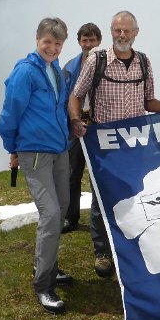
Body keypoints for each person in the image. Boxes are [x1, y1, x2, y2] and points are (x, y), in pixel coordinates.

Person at [68, 11, 160, 278]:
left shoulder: (144, 62)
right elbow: (76, 96)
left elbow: (148, 102)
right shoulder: (97, 60)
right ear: (112, 32)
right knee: (101, 197)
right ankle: (102, 253)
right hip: (104, 142)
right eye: (117, 30)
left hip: (135, 142)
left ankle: (132, 246)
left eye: (127, 31)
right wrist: (76, 120)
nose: (122, 35)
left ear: (136, 32)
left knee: (135, 194)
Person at [0, 17, 73, 314]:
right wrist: (12, 148)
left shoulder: (55, 71)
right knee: (51, 213)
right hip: (35, 153)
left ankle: (49, 266)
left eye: (57, 44)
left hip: (59, 150)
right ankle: (43, 285)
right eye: (48, 42)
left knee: (63, 208)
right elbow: (10, 113)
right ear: (37, 39)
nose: (52, 48)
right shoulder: (25, 72)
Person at [61, 22, 103, 233]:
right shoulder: (70, 66)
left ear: (99, 41)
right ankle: (71, 216)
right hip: (76, 123)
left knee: (99, 173)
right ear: (79, 42)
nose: (88, 44)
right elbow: (63, 96)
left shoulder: (107, 63)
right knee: (72, 172)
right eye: (85, 40)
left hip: (99, 123)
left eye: (92, 40)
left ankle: (104, 215)